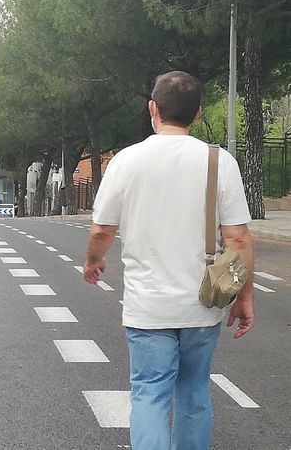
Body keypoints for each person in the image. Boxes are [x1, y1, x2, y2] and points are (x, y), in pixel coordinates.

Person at [82, 71, 254, 450]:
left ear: (152, 109)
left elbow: (101, 231)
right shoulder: (219, 162)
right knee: (194, 394)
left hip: (148, 308)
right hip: (202, 306)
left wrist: (93, 262)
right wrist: (243, 296)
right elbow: (238, 239)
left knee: (149, 394)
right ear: (197, 115)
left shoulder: (127, 161)